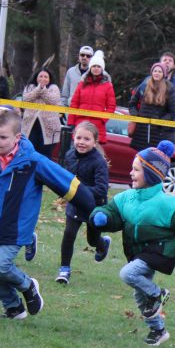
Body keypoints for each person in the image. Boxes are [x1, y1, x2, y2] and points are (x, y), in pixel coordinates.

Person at [0, 109, 98, 319]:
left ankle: (28, 286)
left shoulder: (32, 161)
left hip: (18, 226)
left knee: (0, 267)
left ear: (17, 137)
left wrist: (89, 202)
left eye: (2, 137)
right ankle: (14, 307)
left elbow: (63, 180)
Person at [90, 140, 175, 345]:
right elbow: (113, 214)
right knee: (140, 298)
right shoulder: (127, 197)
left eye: (136, 170)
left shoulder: (168, 204)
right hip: (137, 252)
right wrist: (102, 216)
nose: (130, 173)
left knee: (128, 274)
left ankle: (158, 293)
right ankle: (158, 330)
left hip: (159, 251)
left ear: (151, 174)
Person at [57, 121, 111, 285]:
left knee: (92, 241)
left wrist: (80, 191)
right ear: (73, 138)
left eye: (86, 139)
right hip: (75, 203)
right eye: (79, 137)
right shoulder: (69, 155)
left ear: (94, 142)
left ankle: (102, 244)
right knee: (69, 234)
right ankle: (64, 269)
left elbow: (101, 189)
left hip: (94, 206)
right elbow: (65, 178)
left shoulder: (99, 162)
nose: (81, 142)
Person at [67, 50, 115, 144]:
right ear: (90, 68)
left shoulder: (108, 85)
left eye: (98, 66)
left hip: (97, 127)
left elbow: (111, 107)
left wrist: (102, 120)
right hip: (80, 124)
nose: (96, 68)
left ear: (102, 69)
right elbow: (74, 103)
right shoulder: (81, 84)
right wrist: (71, 122)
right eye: (94, 66)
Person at [128, 62, 175, 151]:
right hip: (141, 131)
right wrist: (135, 116)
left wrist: (160, 121)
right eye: (155, 71)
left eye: (159, 71)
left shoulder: (169, 89)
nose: (157, 73)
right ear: (152, 72)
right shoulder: (143, 86)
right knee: (140, 159)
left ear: (163, 74)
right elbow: (132, 104)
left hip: (158, 132)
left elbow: (172, 112)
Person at [21, 69, 62, 158]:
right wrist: (38, 88)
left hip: (48, 127)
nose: (43, 79)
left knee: (45, 154)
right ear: (36, 77)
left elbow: (52, 100)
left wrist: (43, 89)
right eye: (41, 76)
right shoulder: (30, 87)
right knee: (30, 151)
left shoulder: (54, 88)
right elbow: (26, 98)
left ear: (49, 78)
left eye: (45, 77)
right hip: (31, 125)